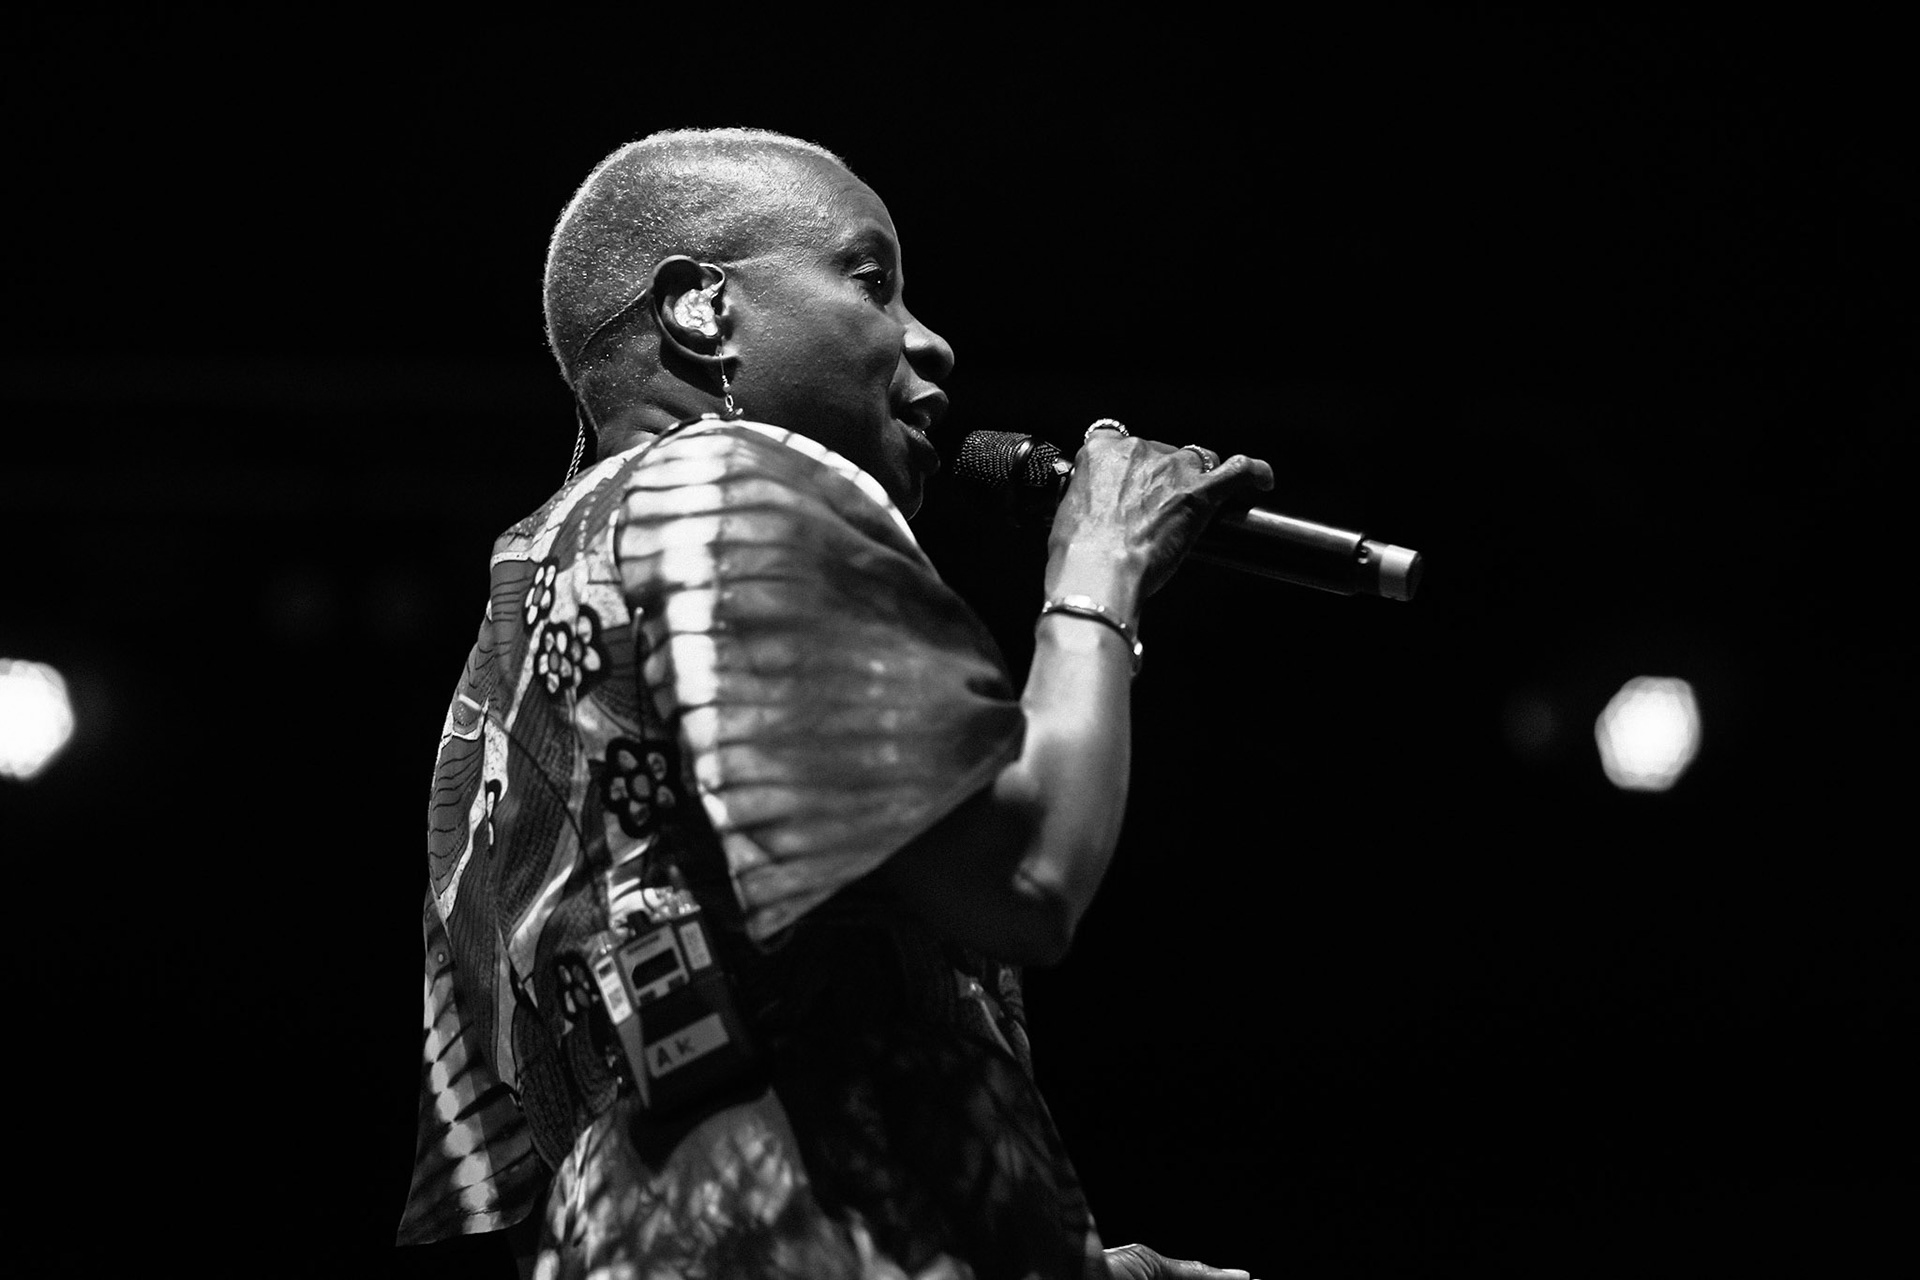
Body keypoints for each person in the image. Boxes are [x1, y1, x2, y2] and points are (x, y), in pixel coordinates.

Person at [397, 127, 1273, 1280]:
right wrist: (1101, 566)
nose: (929, 339)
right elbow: (1025, 875)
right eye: (870, 279)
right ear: (703, 311)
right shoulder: (730, 483)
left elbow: (587, 1144)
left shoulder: (519, 638)